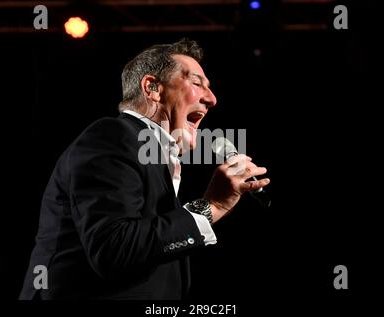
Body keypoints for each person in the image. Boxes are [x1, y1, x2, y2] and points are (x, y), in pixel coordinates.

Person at [19, 38, 270, 300]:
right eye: (197, 83)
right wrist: (212, 206)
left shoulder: (156, 157)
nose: (212, 99)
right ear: (152, 88)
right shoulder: (113, 136)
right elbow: (114, 250)